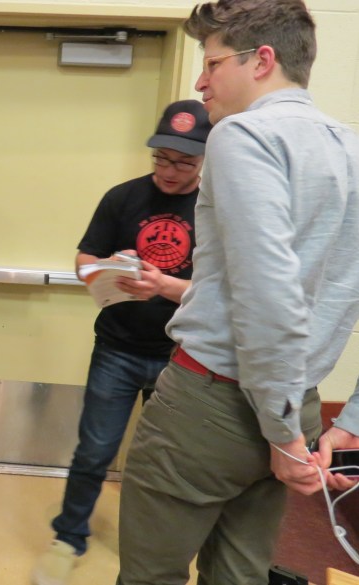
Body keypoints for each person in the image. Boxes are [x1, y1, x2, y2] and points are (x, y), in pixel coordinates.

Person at [115, 1, 359, 584]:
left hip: (216, 405)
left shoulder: (243, 134)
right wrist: (349, 422)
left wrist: (280, 431)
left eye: (212, 63)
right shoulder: (351, 150)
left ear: (262, 60)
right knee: (240, 574)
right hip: (297, 400)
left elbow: (268, 294)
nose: (201, 82)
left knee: (151, 576)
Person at [32, 100, 211, 585]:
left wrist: (163, 286)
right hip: (117, 348)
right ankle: (68, 537)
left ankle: (155, 548)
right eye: (161, 159)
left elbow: (223, 292)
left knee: (170, 461)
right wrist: (106, 267)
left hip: (182, 356)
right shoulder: (123, 198)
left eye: (183, 163)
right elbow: (83, 260)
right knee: (94, 450)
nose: (168, 171)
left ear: (204, 159)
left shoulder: (215, 210)